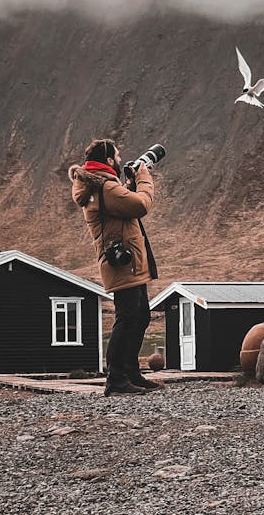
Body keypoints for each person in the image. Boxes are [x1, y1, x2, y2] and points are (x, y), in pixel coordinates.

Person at [69, 138, 161, 396]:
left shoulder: (103, 186)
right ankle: (116, 380)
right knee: (127, 318)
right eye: (118, 157)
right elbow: (140, 205)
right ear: (109, 160)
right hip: (122, 264)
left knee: (140, 315)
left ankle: (130, 373)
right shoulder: (106, 187)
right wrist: (143, 178)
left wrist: (129, 185)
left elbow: (123, 206)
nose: (121, 160)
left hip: (128, 261)